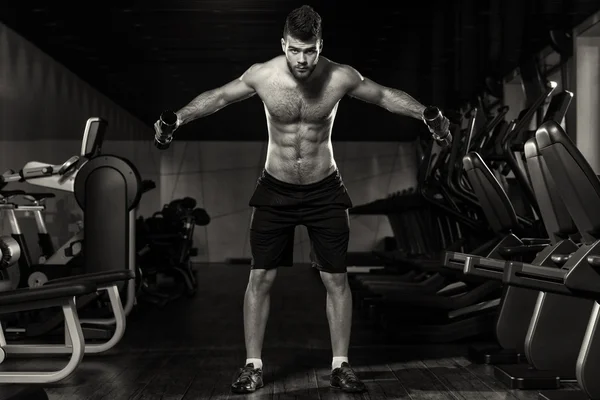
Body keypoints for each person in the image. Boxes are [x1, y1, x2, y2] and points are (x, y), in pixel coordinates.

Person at [153, 4, 450, 394]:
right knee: (260, 277)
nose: (303, 59)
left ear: (320, 45)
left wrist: (427, 115)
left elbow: (382, 96)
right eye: (295, 49)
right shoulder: (263, 75)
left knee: (335, 279)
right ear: (283, 44)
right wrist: (174, 120)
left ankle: (341, 365)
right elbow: (220, 97)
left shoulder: (340, 76)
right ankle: (252, 365)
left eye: (309, 50)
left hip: (324, 188)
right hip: (275, 188)